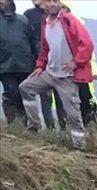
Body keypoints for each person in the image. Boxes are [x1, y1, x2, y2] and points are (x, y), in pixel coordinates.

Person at [19, 0, 93, 149]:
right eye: (49, 1)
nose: (52, 4)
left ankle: (79, 147)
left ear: (60, 3)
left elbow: (87, 43)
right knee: (26, 88)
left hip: (66, 76)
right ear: (44, 4)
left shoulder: (69, 20)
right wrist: (40, 66)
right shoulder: (45, 22)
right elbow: (45, 48)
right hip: (49, 73)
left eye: (55, 1)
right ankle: (34, 126)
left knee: (73, 113)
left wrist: (76, 62)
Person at [0, 0, 37, 124]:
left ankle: (26, 124)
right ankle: (14, 125)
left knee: (25, 96)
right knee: (11, 95)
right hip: (5, 67)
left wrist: (37, 62)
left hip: (25, 66)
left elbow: (34, 41)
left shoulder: (23, 20)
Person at [22, 0, 54, 128]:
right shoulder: (28, 15)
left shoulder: (57, 13)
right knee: (41, 94)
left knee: (58, 97)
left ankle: (60, 127)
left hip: (56, 61)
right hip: (36, 62)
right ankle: (38, 126)